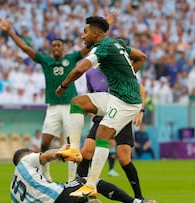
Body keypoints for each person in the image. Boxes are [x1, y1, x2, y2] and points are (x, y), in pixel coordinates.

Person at [55, 16, 147, 197]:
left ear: (95, 33)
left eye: (85, 32)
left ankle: (90, 185)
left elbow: (80, 68)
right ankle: (73, 148)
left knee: (102, 134)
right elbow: (141, 56)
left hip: (127, 102)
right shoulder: (117, 43)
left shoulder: (102, 48)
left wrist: (64, 85)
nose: (83, 36)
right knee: (78, 102)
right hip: (115, 97)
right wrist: (126, 75)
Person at [0, 16, 89, 182]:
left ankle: (71, 179)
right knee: (45, 142)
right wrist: (9, 31)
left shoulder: (72, 58)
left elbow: (88, 48)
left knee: (72, 144)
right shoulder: (45, 61)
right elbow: (25, 48)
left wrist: (104, 27)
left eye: (59, 45)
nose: (56, 48)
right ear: (51, 49)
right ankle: (46, 175)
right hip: (53, 107)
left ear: (64, 48)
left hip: (70, 107)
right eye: (54, 46)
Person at [77, 67, 146, 199]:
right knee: (86, 151)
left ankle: (139, 197)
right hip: (103, 114)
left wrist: (140, 111)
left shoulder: (118, 66)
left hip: (122, 112)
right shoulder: (90, 73)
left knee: (124, 158)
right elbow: (91, 93)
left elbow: (139, 88)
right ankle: (81, 193)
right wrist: (89, 111)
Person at [11, 146, 156, 203]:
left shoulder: (13, 190)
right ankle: (137, 202)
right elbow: (46, 156)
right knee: (90, 181)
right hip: (57, 197)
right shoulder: (25, 160)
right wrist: (62, 151)